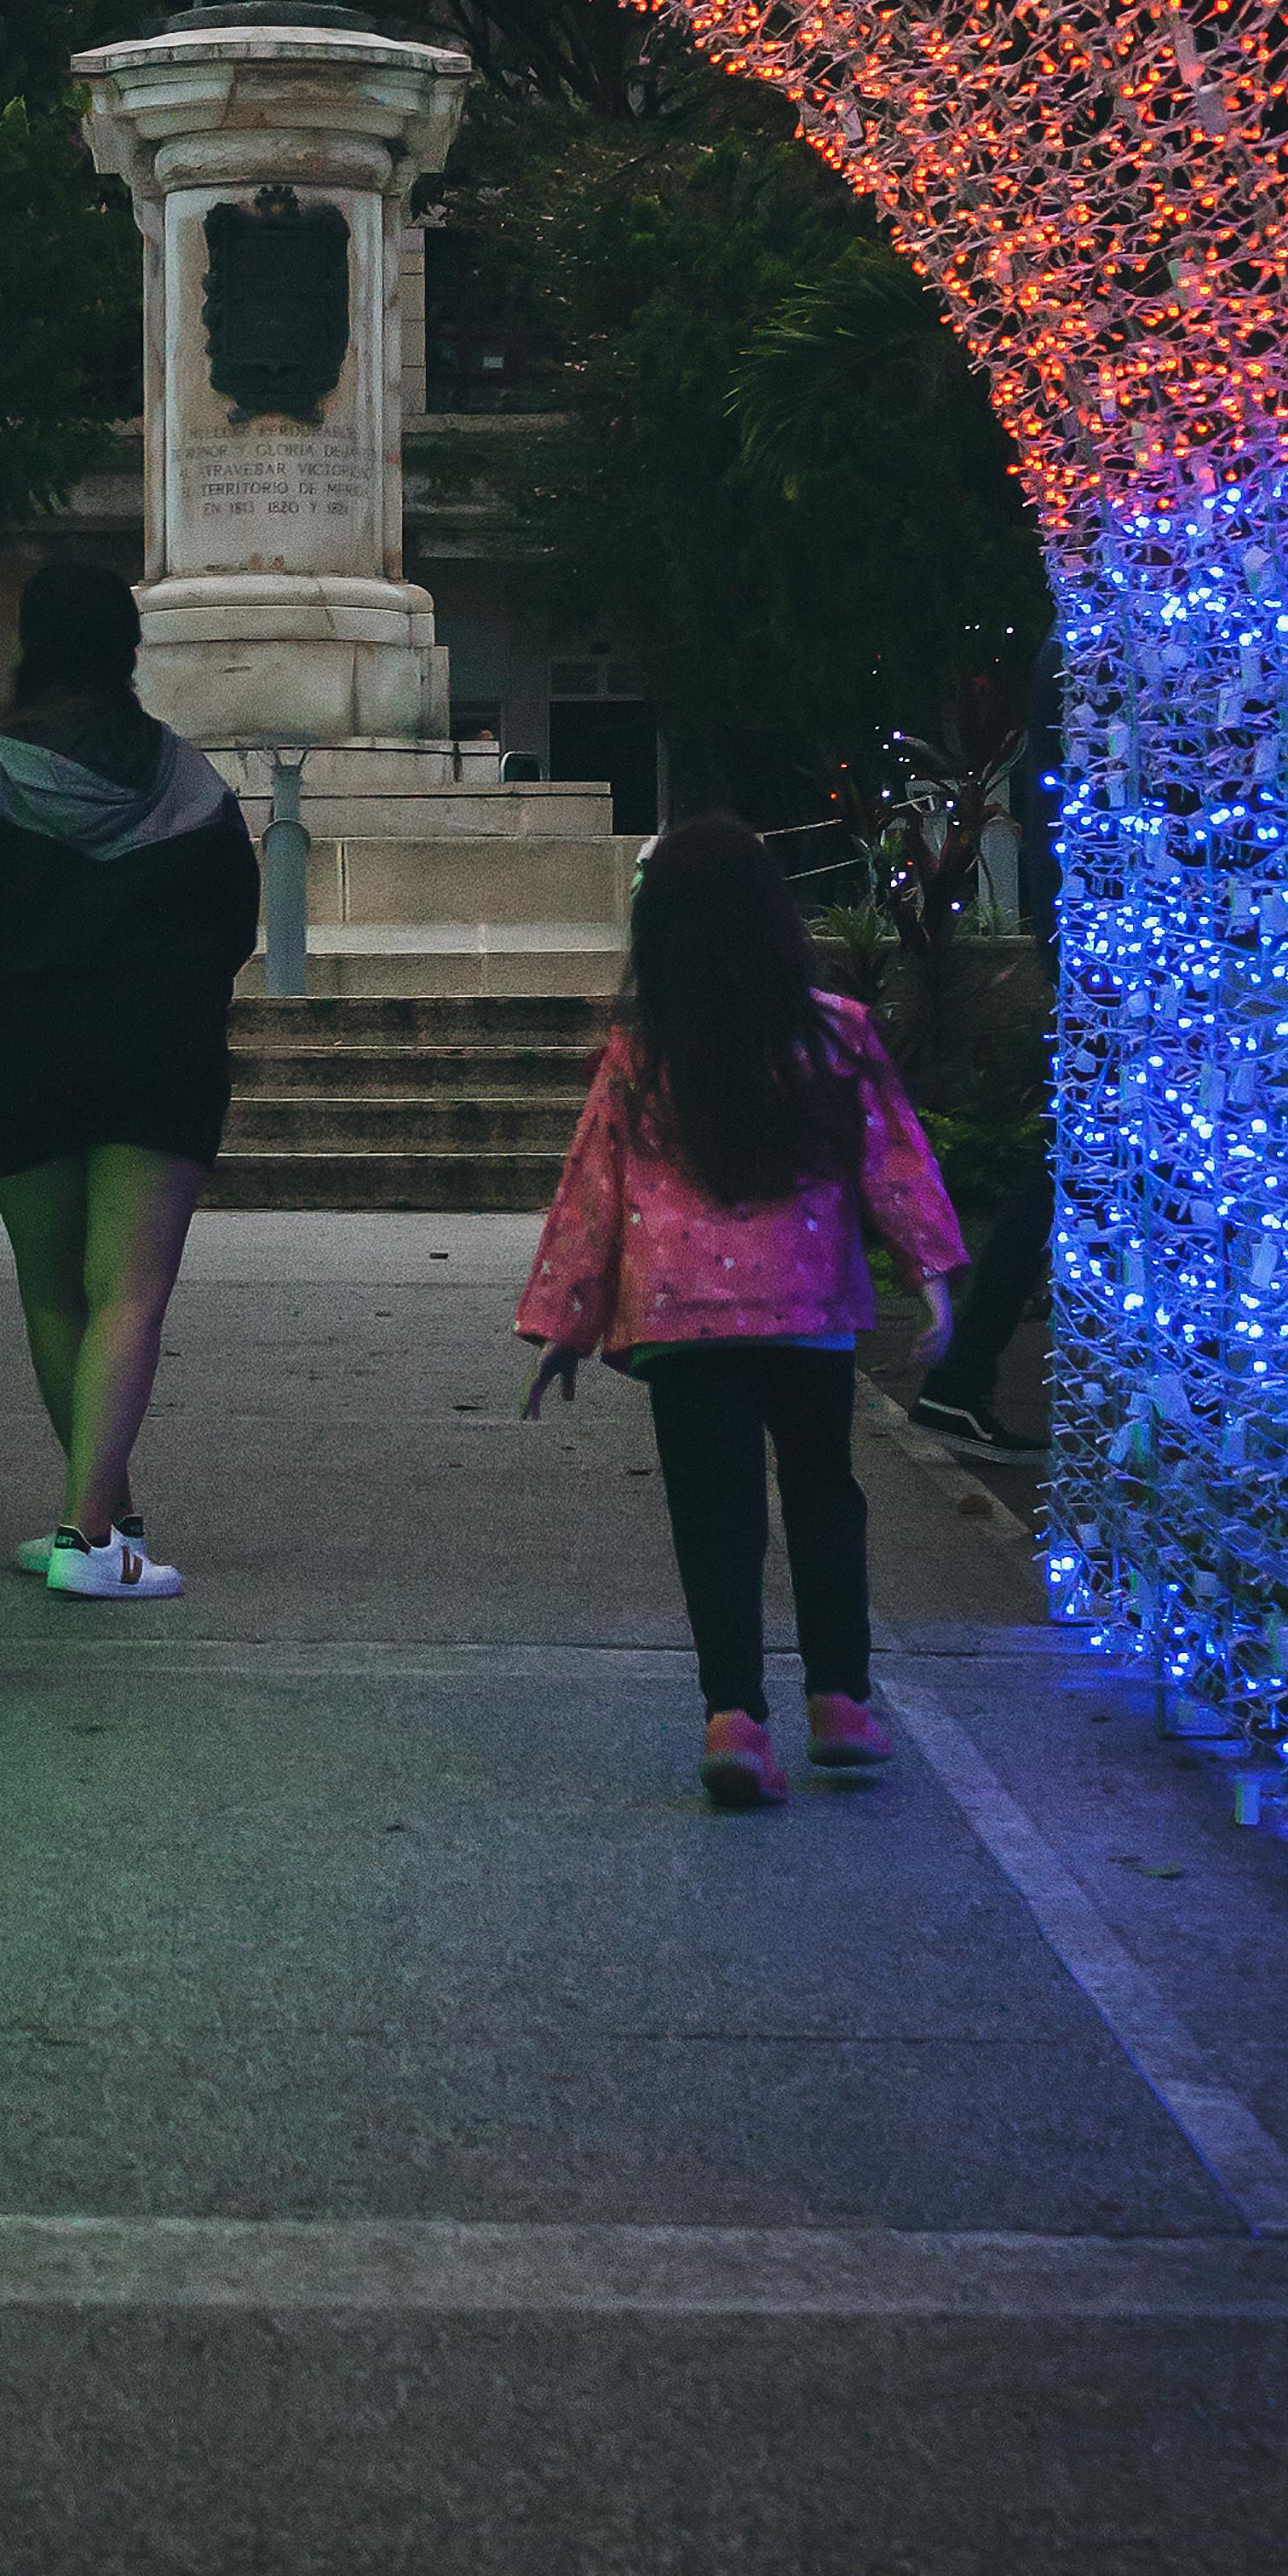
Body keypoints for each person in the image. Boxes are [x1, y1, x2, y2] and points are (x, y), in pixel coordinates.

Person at [520, 812, 964, 1811]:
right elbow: (893, 1164)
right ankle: (841, 1702)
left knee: (713, 1514)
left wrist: (565, 1322)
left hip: (681, 1323)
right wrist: (930, 1279)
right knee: (823, 1496)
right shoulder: (835, 1032)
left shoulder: (643, 1054)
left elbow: (591, 1194)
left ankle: (734, 1719)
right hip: (807, 1313)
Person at [0, 562, 258, 1598]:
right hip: (158, 1042)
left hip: (21, 1040)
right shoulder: (189, 780)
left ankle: (98, 1521)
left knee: (52, 1294)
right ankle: (94, 1531)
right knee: (128, 1291)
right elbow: (234, 923)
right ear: (128, 650)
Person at [909, 625, 1064, 1459]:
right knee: (1073, 1164)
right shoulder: (1102, 642)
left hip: (1103, 950)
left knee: (1073, 1164)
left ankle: (963, 1376)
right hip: (1123, 960)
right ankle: (962, 1375)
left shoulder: (1082, 641)